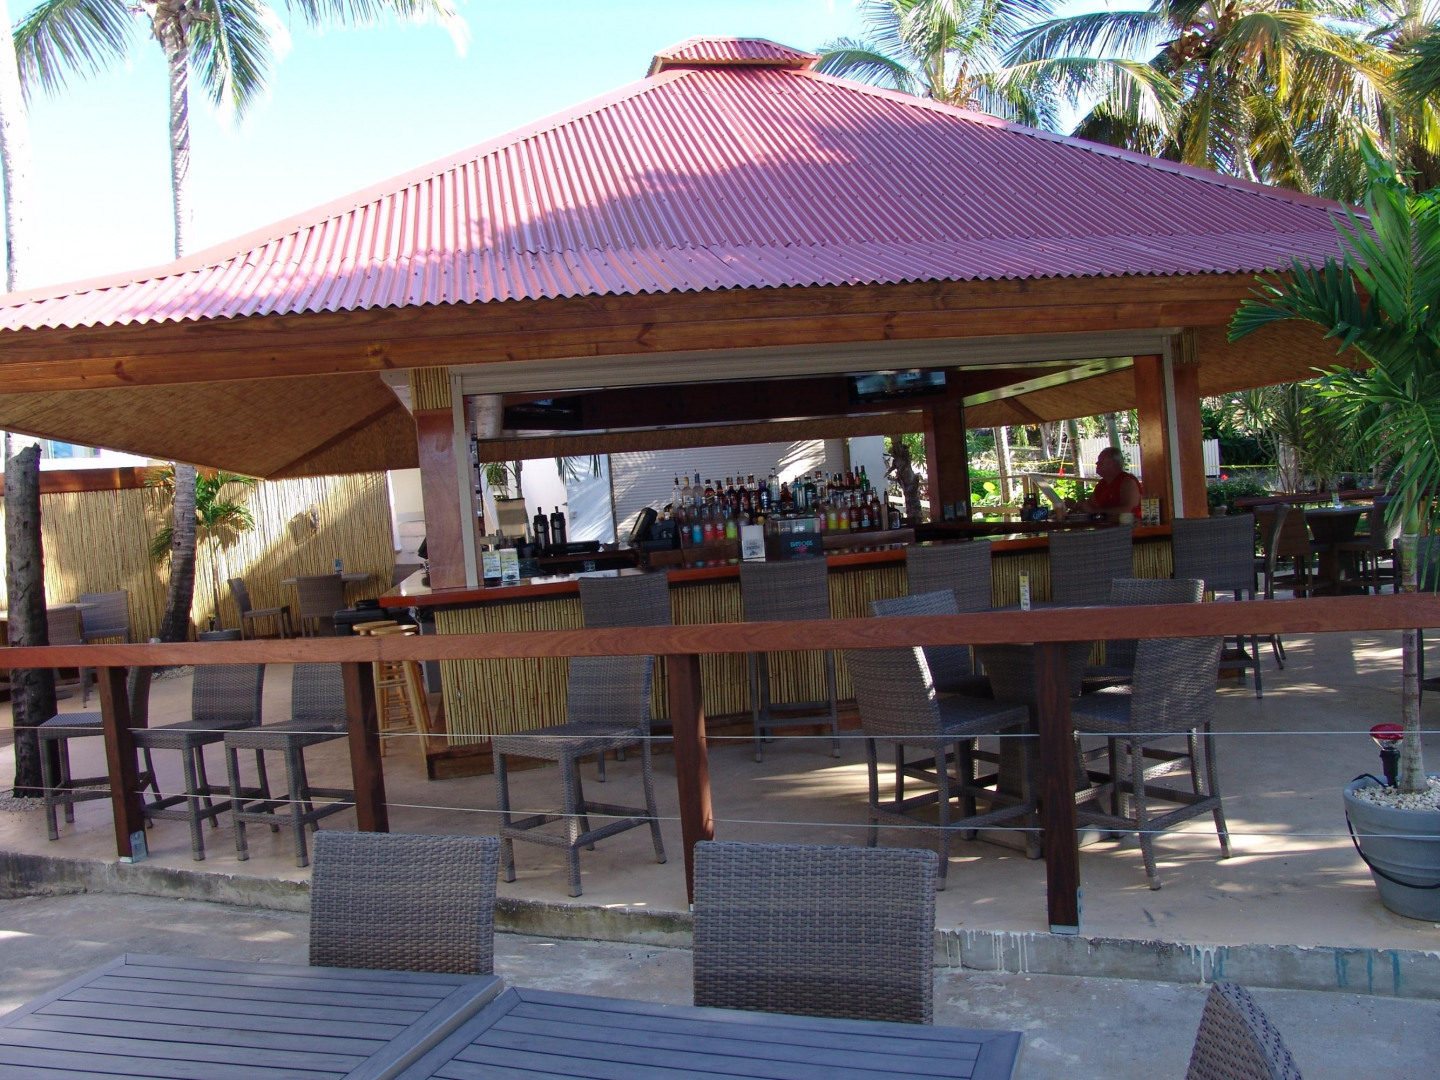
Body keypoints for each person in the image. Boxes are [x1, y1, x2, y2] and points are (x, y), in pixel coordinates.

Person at [1076, 447, 1142, 522]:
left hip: (1127, 527)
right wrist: (1079, 505)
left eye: (1101, 461)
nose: (1097, 463)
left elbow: (1128, 510)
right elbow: (1090, 505)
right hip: (1105, 526)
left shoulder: (1127, 482)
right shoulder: (1102, 484)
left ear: (1113, 464)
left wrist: (1094, 510)